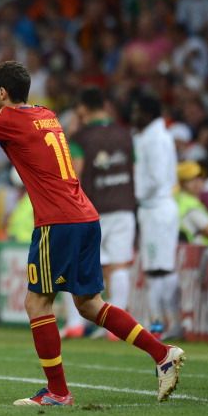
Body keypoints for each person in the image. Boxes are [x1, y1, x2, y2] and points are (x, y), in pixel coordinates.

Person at [0, 51, 185, 405]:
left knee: (36, 303)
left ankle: (58, 392)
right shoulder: (45, 114)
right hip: (85, 216)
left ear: (3, 95)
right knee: (89, 305)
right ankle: (162, 354)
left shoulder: (8, 121)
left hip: (57, 222)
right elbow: (6, 114)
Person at [70, 87, 137, 340]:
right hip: (124, 206)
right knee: (119, 265)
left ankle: (75, 325)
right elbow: (135, 167)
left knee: (78, 265)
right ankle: (117, 331)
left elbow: (74, 175)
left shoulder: (80, 137)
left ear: (84, 108)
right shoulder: (125, 134)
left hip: (92, 210)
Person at [131, 94, 180, 339]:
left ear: (148, 114)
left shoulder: (156, 139)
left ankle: (164, 324)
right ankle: (168, 323)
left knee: (159, 269)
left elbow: (157, 177)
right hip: (153, 208)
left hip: (157, 208)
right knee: (159, 267)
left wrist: (135, 193)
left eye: (138, 111)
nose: (134, 116)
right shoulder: (148, 137)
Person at [176, 161, 208, 245]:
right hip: (199, 253)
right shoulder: (188, 204)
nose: (197, 182)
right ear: (181, 183)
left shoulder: (179, 199)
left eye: (200, 178)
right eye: (191, 179)